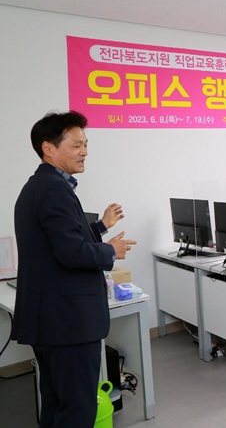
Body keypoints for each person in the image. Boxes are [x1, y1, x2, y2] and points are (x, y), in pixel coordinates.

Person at [12, 111, 136, 428]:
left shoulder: (42, 185)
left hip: (52, 320)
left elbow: (61, 241)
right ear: (48, 148)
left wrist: (101, 226)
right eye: (76, 144)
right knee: (77, 409)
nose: (84, 151)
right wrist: (110, 250)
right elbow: (70, 253)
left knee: (56, 402)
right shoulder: (53, 189)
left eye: (86, 144)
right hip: (67, 321)